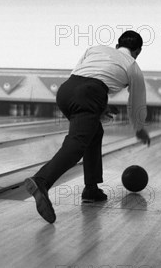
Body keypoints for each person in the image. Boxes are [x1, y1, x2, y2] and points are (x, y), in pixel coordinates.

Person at [25, 30, 150, 223]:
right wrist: (140, 128)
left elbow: (80, 76)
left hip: (66, 91)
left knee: (94, 132)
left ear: (117, 46)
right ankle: (41, 181)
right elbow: (137, 103)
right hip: (90, 95)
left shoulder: (96, 49)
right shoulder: (133, 66)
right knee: (77, 144)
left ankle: (91, 188)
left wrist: (98, 105)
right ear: (138, 51)